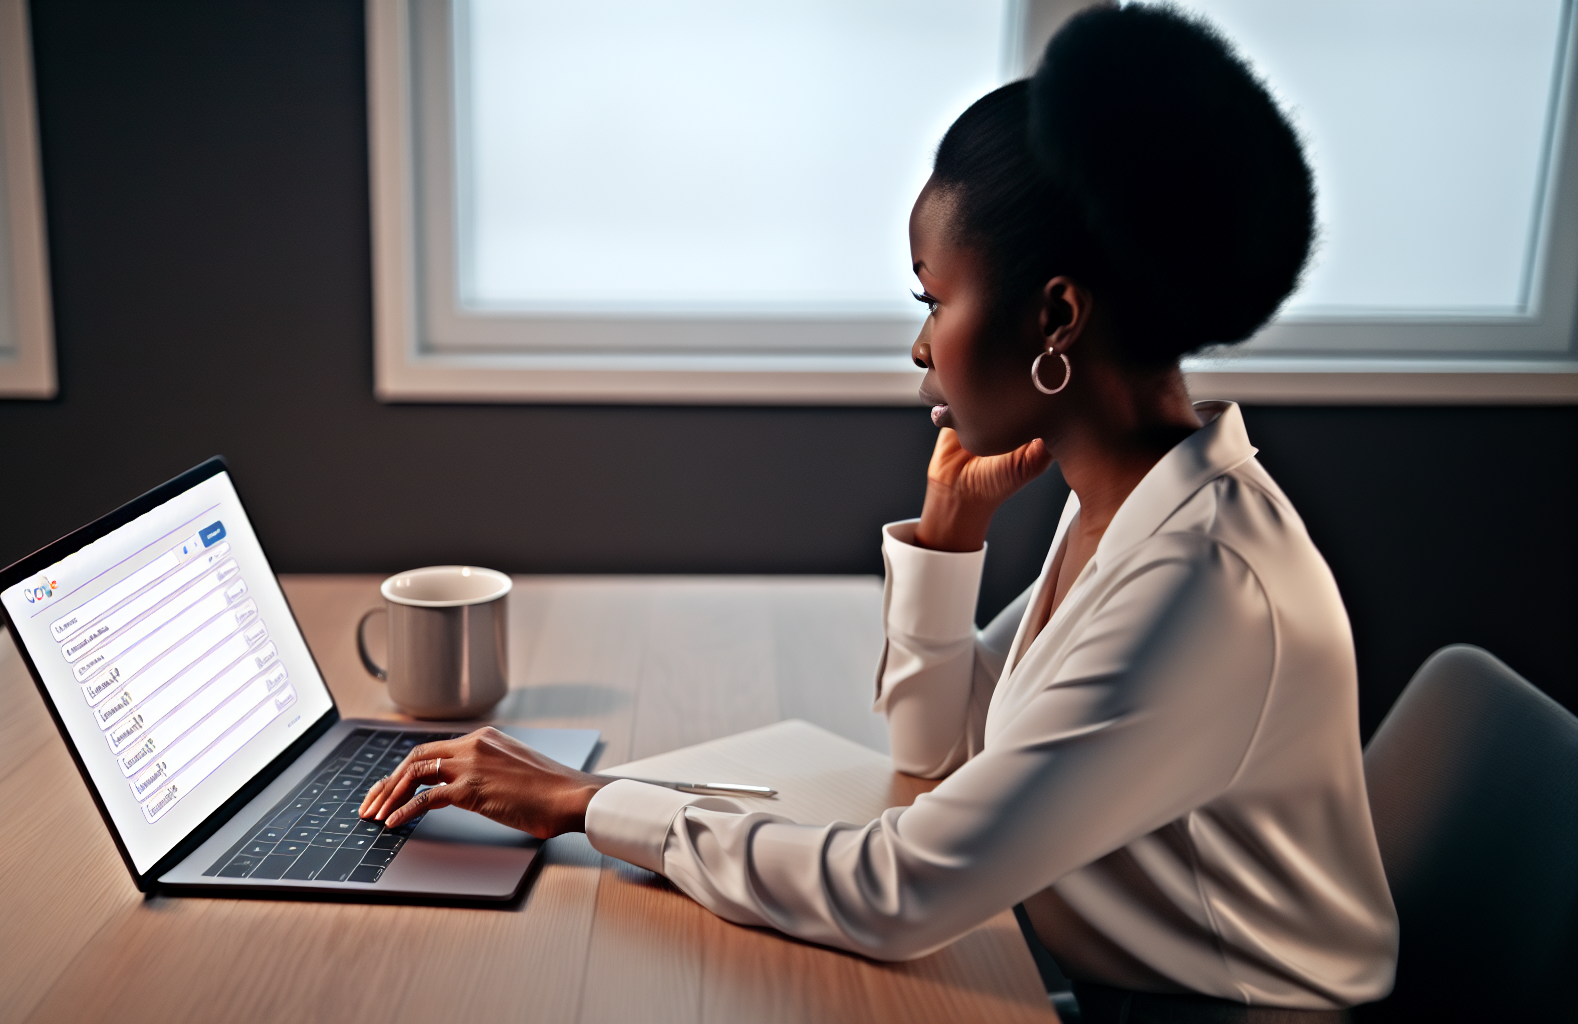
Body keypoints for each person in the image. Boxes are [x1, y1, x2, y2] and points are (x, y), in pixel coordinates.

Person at [359, 6, 1398, 1020]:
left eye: (932, 301)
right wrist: (948, 543)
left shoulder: (1201, 586)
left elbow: (900, 892)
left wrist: (587, 803)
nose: (918, 348)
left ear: (1054, 316)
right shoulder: (1130, 511)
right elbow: (937, 748)